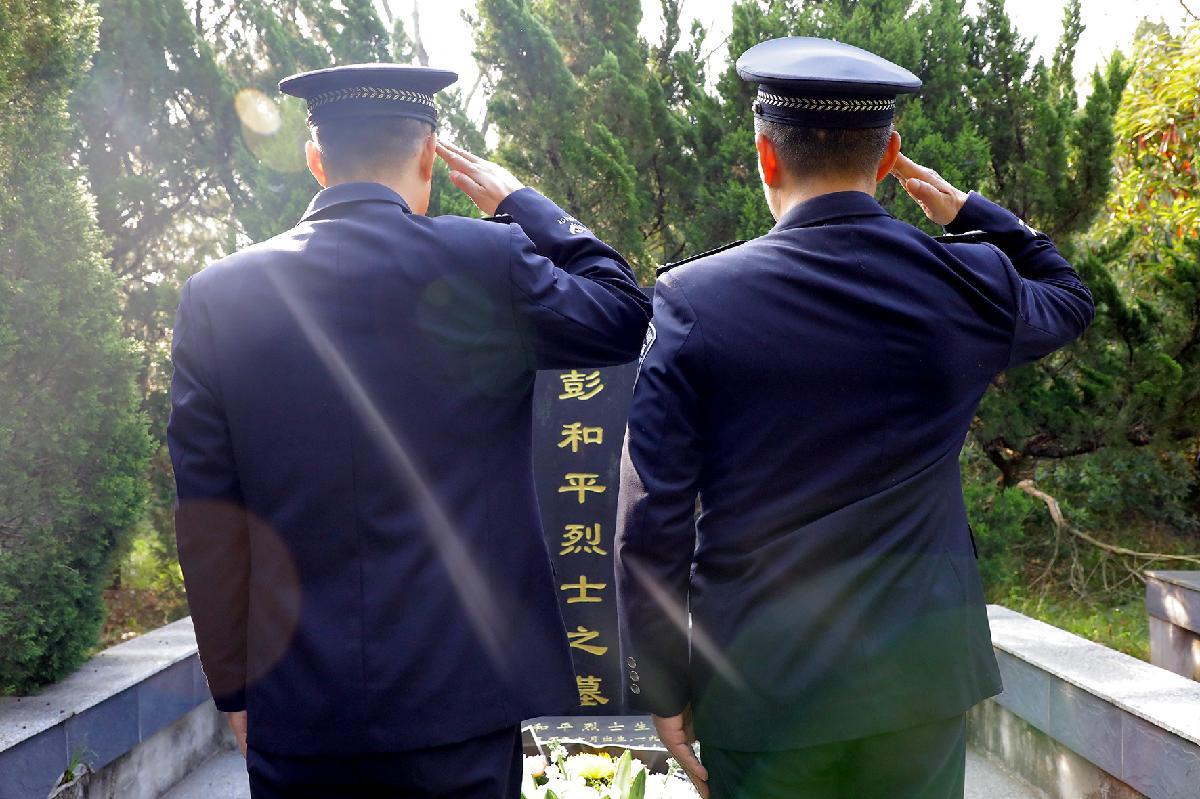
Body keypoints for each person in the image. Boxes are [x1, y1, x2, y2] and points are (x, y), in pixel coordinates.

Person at [614, 37, 1094, 799]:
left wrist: (663, 682)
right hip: (919, 684)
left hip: (762, 685)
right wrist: (970, 211)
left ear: (766, 155)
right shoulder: (966, 279)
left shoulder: (694, 299)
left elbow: (653, 518)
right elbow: (1069, 297)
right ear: (890, 153)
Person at [167, 63, 650, 798]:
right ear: (428, 154)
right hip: (460, 702)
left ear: (316, 160)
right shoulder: (486, 259)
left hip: (299, 704)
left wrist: (234, 687)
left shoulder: (215, 295)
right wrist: (523, 204)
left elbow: (207, 521)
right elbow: (623, 312)